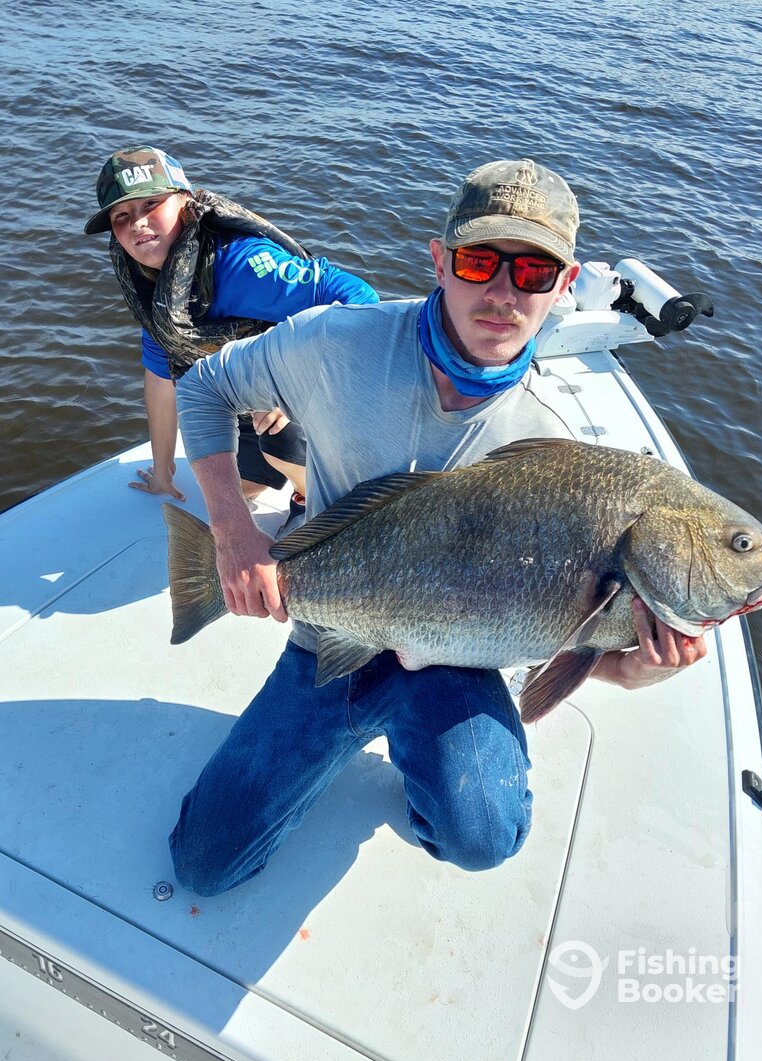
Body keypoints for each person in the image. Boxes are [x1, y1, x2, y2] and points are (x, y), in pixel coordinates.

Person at [170, 158, 708, 896]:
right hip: (330, 633)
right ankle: (346, 730)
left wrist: (635, 667)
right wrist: (232, 532)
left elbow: (560, 644)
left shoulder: (551, 452)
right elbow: (205, 385)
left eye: (534, 272)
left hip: (457, 664)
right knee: (203, 866)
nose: (503, 293)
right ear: (439, 260)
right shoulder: (336, 343)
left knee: (482, 836)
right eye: (480, 262)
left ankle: (423, 759)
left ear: (563, 285)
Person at [85, 146, 379, 508]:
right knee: (237, 488)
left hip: (317, 384)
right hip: (247, 385)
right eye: (121, 215)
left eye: (151, 204)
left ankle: (317, 501)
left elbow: (360, 297)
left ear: (185, 202)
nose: (137, 223)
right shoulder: (151, 285)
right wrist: (162, 471)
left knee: (281, 444)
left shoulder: (243, 263)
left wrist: (297, 389)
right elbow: (160, 378)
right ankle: (277, 466)